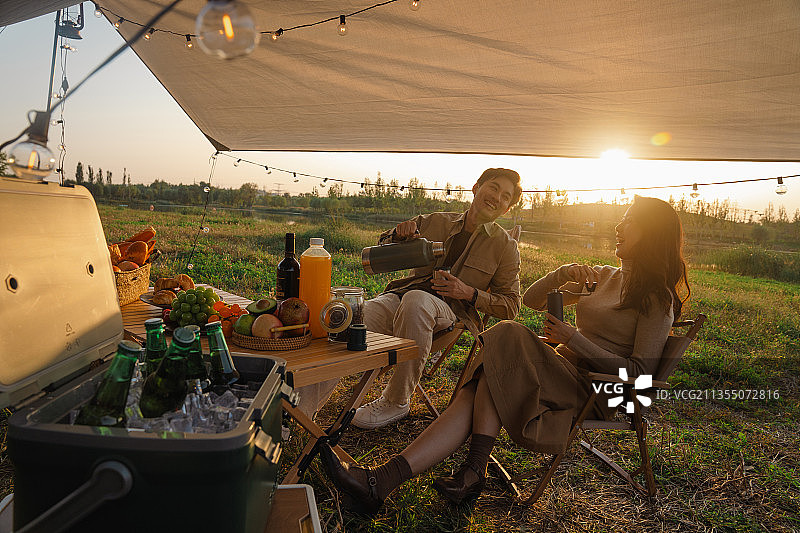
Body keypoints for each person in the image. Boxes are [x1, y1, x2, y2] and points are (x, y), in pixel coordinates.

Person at [319, 195, 691, 515]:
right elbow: (531, 301)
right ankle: (390, 480)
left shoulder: (656, 298)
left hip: (595, 389)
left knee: (503, 335)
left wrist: (574, 339)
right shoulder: (606, 276)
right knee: (485, 377)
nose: (618, 226)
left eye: (628, 221)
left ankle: (451, 472)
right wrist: (562, 274)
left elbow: (642, 374)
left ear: (651, 234)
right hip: (559, 368)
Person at [294, 168, 524, 427]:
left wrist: (468, 292)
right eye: (493, 187)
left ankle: (396, 400)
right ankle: (299, 410)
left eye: (506, 197)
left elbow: (511, 305)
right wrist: (398, 234)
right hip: (400, 298)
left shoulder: (505, 247)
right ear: (476, 187)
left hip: (449, 314)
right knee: (352, 321)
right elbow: (381, 245)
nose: (497, 197)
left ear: (506, 209)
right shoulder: (436, 221)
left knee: (417, 300)